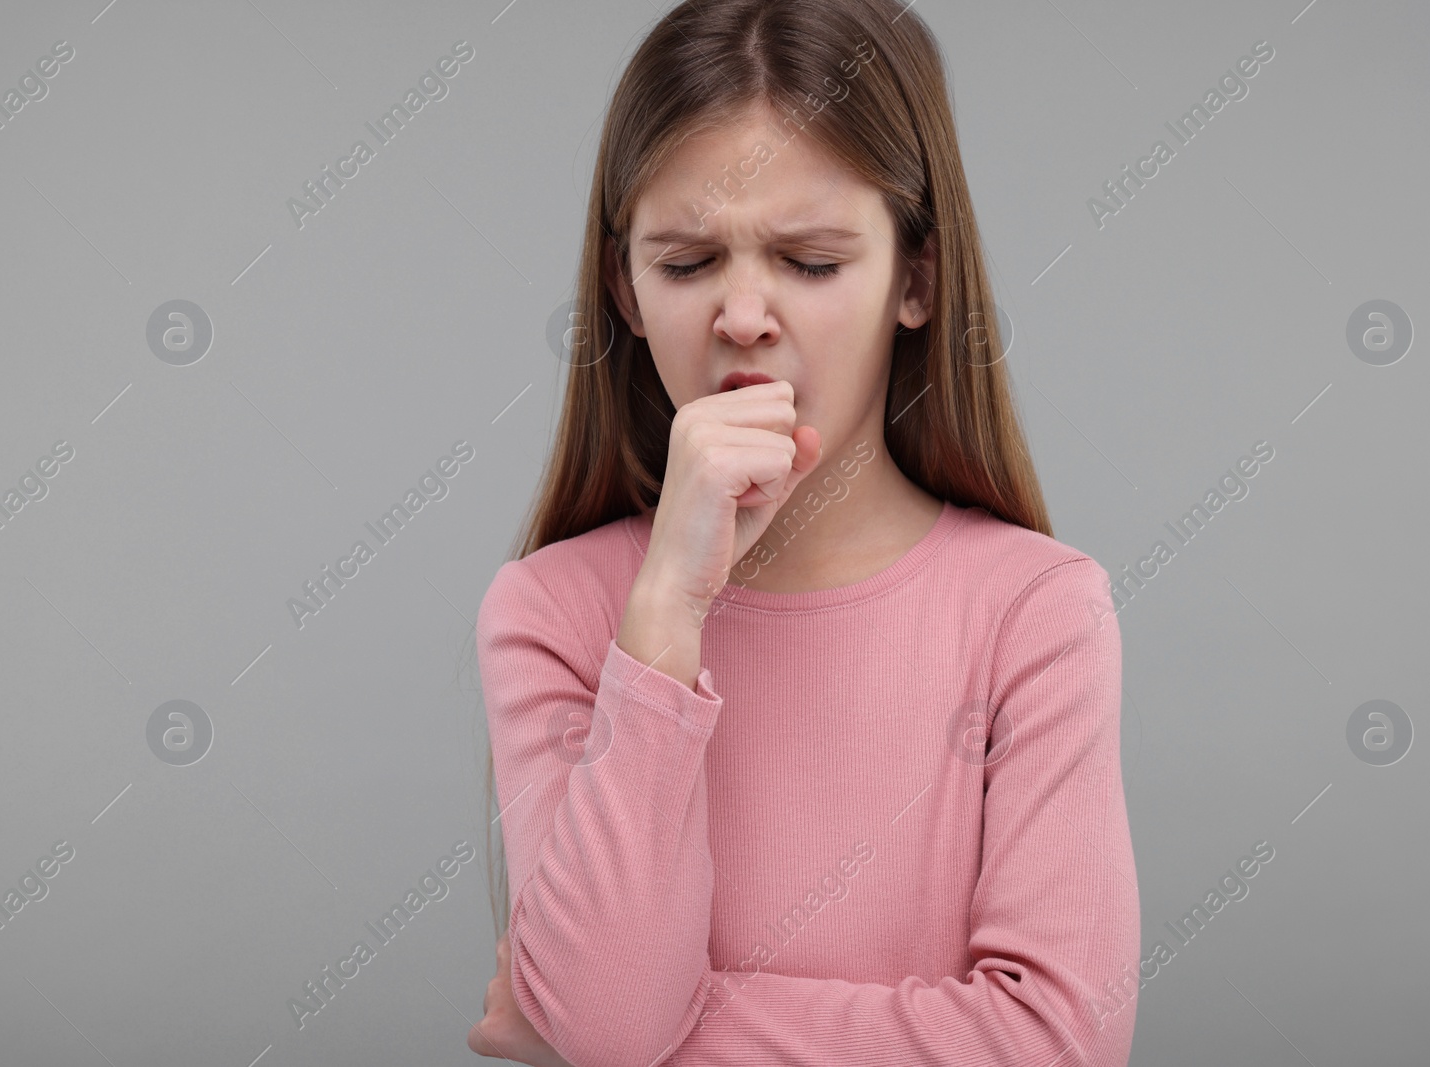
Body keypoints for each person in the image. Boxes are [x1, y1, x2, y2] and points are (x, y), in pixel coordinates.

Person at [469, 1, 1139, 1063]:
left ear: (915, 280)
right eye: (686, 263)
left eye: (811, 262)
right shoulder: (553, 611)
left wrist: (650, 1028)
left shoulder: (1036, 612)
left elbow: (1054, 1043)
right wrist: (665, 616)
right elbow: (609, 1017)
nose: (742, 315)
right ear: (624, 292)